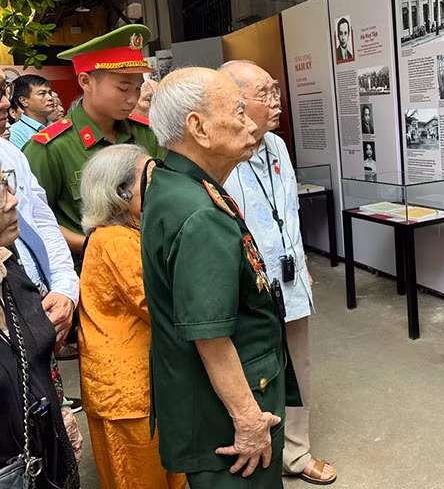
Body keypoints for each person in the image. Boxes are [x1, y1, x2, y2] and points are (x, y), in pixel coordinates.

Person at [141, 67, 301, 489]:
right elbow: (209, 334)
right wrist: (248, 420)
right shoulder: (200, 214)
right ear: (199, 128)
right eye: (238, 111)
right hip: (228, 420)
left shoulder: (178, 182)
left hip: (214, 400)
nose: (251, 123)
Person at [220, 60, 337, 486]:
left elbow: (288, 216)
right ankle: (256, 448)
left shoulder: (278, 147)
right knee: (252, 367)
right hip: (245, 287)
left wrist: (302, 267)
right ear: (234, 103)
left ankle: (297, 451)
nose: (276, 101)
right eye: (264, 93)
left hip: (288, 281)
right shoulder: (220, 155)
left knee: (297, 364)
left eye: (275, 91)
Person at [77, 144, 186, 489]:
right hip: (127, 394)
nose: (163, 186)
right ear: (121, 193)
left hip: (146, 384)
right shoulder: (116, 241)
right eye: (151, 180)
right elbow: (161, 305)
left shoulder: (130, 233)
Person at [22, 24, 163, 258]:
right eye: (123, 87)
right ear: (86, 82)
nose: (132, 98)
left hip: (151, 265)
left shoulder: (148, 134)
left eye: (138, 88)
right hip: (88, 272)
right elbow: (32, 216)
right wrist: (93, 245)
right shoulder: (51, 148)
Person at [0, 82, 83, 413]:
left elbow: (42, 224)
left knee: (50, 428)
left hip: (38, 313)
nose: (5, 103)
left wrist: (64, 289)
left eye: (2, 92)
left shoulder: (10, 154)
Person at [0, 162, 80, 489]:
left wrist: (59, 409)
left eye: (7, 183)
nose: (13, 200)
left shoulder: (10, 264)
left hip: (46, 458)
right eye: (1, 191)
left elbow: (31, 358)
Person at [9, 74, 55, 149]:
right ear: (24, 101)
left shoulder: (56, 126)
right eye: (42, 94)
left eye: (50, 93)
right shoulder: (14, 133)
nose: (50, 98)